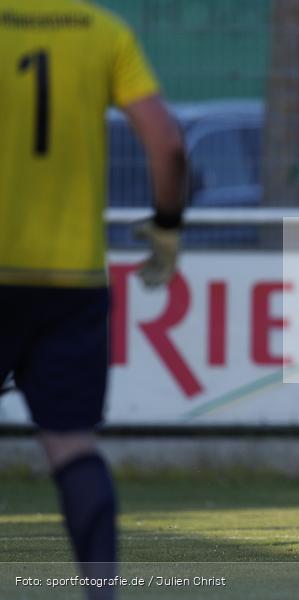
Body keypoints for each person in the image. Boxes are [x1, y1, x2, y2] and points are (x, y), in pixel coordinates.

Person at [0, 1, 185, 597]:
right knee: (72, 445)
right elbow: (167, 143)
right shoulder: (104, 33)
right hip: (73, 279)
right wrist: (167, 226)